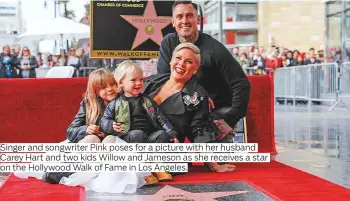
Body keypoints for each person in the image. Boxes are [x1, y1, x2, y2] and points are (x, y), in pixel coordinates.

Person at [15, 69, 156, 193]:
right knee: (91, 139)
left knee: (108, 141)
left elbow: (134, 124)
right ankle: (67, 169)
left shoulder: (125, 100)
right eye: (103, 87)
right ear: (95, 91)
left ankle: (76, 172)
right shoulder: (88, 104)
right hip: (90, 147)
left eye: (112, 84)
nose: (110, 89)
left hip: (114, 145)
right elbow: (71, 130)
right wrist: (86, 129)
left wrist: (112, 130)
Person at [157, 0, 250, 141]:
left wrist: (230, 119)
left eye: (189, 16)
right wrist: (200, 95)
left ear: (198, 19)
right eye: (179, 17)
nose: (184, 21)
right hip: (180, 111)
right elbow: (163, 80)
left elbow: (241, 84)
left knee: (217, 160)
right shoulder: (168, 42)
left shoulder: (215, 49)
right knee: (172, 162)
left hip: (212, 114)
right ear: (173, 22)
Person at [143, 43, 235, 172]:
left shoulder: (197, 95)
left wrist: (213, 164)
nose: (181, 64)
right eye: (178, 58)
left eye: (189, 61)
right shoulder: (151, 81)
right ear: (171, 61)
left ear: (195, 69)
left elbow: (199, 130)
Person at [100, 60, 179, 181]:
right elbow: (104, 120)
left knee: (161, 135)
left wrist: (171, 132)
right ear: (121, 82)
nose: (139, 83)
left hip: (148, 138)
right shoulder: (116, 103)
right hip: (128, 137)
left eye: (141, 79)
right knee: (138, 134)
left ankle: (157, 167)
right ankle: (143, 171)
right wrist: (111, 125)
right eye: (133, 80)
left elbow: (160, 117)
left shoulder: (147, 101)